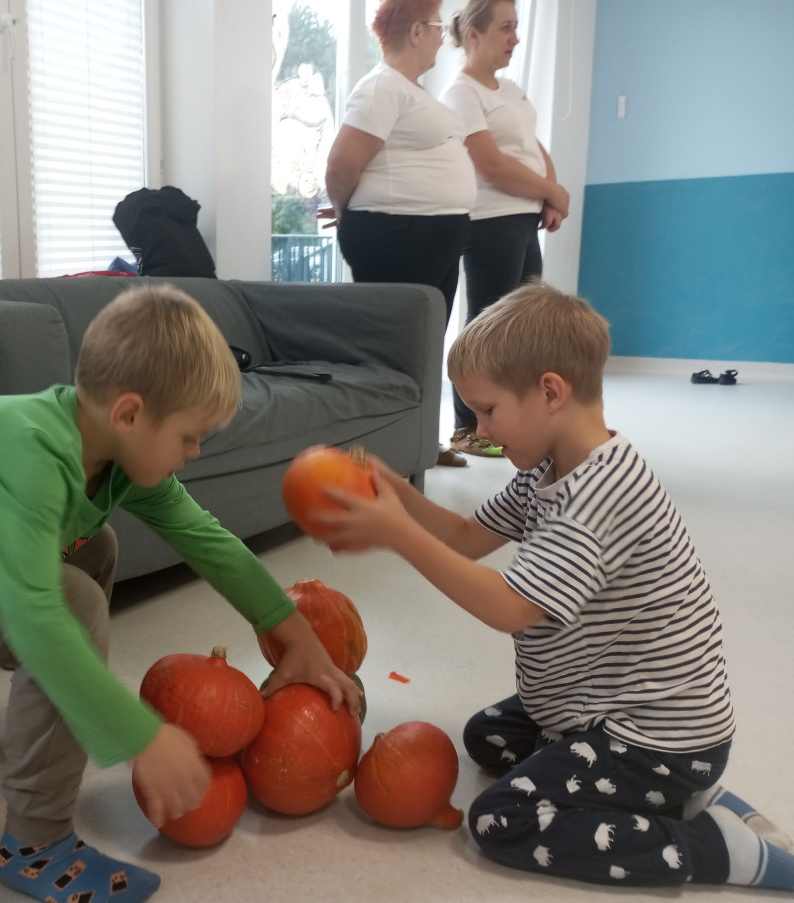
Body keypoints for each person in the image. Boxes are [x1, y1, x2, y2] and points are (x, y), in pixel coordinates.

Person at [0, 284, 362, 903]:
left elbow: (208, 540)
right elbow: (37, 614)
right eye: (188, 437)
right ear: (129, 414)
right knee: (70, 607)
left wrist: (297, 637)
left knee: (95, 548)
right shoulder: (30, 452)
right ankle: (35, 844)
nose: (193, 453)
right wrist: (141, 737)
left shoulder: (114, 449)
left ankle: (53, 698)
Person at [312, 282, 794, 890]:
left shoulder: (600, 496)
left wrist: (398, 535)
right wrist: (399, 495)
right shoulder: (549, 469)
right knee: (487, 737)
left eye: (487, 410)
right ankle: (681, 796)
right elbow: (466, 537)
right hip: (601, 706)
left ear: (549, 392)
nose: (479, 428)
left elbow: (512, 608)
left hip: (660, 735)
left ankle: (713, 848)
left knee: (501, 819)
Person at [322, 0, 476, 468]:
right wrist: (348, 212)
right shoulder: (382, 86)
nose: (442, 38)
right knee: (395, 348)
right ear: (416, 32)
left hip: (433, 238)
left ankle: (419, 442)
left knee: (424, 347)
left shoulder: (412, 91)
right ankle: (379, 449)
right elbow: (341, 164)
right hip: (398, 237)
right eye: (438, 28)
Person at [439, 0, 569, 459]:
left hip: (524, 217)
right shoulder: (461, 93)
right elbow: (490, 165)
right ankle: (467, 429)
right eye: (506, 28)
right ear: (474, 34)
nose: (515, 38)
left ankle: (514, 422)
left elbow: (533, 146)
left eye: (517, 27)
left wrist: (550, 194)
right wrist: (552, 191)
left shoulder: (510, 90)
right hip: (490, 221)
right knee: (486, 328)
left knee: (523, 328)